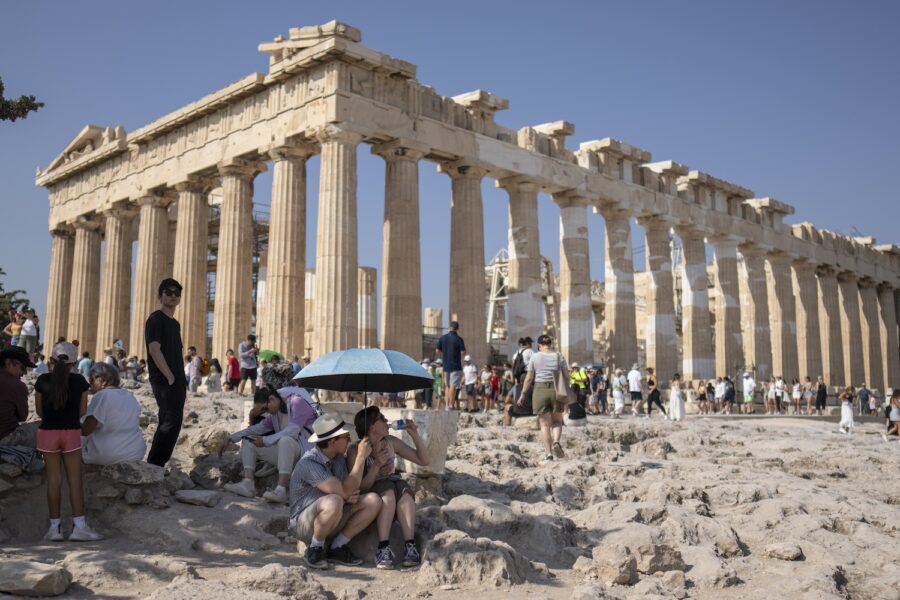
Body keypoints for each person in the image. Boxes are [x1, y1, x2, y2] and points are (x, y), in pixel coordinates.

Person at [289, 415, 382, 570]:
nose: (350, 439)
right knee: (334, 501)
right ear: (333, 441)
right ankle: (315, 548)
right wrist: (360, 457)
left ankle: (337, 547)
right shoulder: (309, 463)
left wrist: (347, 495)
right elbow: (345, 491)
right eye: (346, 437)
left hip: (333, 515)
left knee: (373, 500)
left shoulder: (338, 459)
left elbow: (349, 490)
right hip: (304, 524)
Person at [35, 341, 103, 541]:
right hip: (72, 431)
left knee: (54, 480)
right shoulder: (80, 382)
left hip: (47, 432)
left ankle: (54, 529)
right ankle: (79, 527)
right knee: (74, 480)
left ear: (51, 361)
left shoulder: (42, 381)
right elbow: (82, 412)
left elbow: (39, 411)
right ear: (74, 363)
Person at [348, 406, 429, 569]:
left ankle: (410, 546)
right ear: (372, 427)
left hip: (392, 484)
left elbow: (423, 460)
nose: (386, 421)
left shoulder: (390, 442)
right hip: (374, 494)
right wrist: (376, 465)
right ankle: (383, 547)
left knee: (404, 491)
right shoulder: (356, 450)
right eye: (381, 418)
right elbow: (359, 487)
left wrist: (414, 435)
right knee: (389, 492)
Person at [225, 387, 314, 504]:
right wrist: (231, 438)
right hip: (287, 456)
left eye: (265, 408)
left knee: (285, 440)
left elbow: (293, 431)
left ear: (271, 399)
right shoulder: (275, 415)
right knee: (249, 440)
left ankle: (281, 490)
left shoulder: (297, 402)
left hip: (306, 454)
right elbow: (256, 429)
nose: (265, 412)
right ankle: (248, 484)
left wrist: (266, 440)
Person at [145, 278, 186, 467]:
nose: (173, 296)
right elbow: (154, 349)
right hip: (164, 378)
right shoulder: (156, 319)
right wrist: (169, 376)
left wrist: (178, 377)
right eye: (168, 292)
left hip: (176, 378)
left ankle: (157, 463)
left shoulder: (175, 324)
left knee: (171, 421)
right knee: (171, 420)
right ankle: (155, 463)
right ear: (160, 295)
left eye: (176, 293)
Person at [81, 362, 146, 464]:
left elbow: (86, 430)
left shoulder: (102, 395)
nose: (90, 385)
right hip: (135, 453)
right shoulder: (129, 395)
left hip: (108, 454)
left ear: (102, 380)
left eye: (91, 380)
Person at [517, 334, 568, 461]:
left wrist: (523, 394)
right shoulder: (559, 356)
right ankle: (556, 441)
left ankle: (548, 453)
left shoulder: (535, 356)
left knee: (545, 425)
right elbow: (567, 376)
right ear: (550, 344)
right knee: (557, 421)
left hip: (540, 389)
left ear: (539, 345)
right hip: (556, 390)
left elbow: (529, 378)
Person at [0, 346, 36, 447]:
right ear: (8, 363)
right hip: (4, 438)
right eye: (23, 368)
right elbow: (23, 416)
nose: (24, 373)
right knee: (42, 427)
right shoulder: (17, 385)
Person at [435, 321, 465, 410]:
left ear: (449, 327)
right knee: (453, 386)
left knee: (447, 386)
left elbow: (437, 351)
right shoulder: (459, 339)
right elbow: (463, 352)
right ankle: (451, 405)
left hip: (446, 365)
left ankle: (447, 405)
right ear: (457, 329)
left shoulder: (442, 338)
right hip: (455, 366)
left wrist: (445, 352)